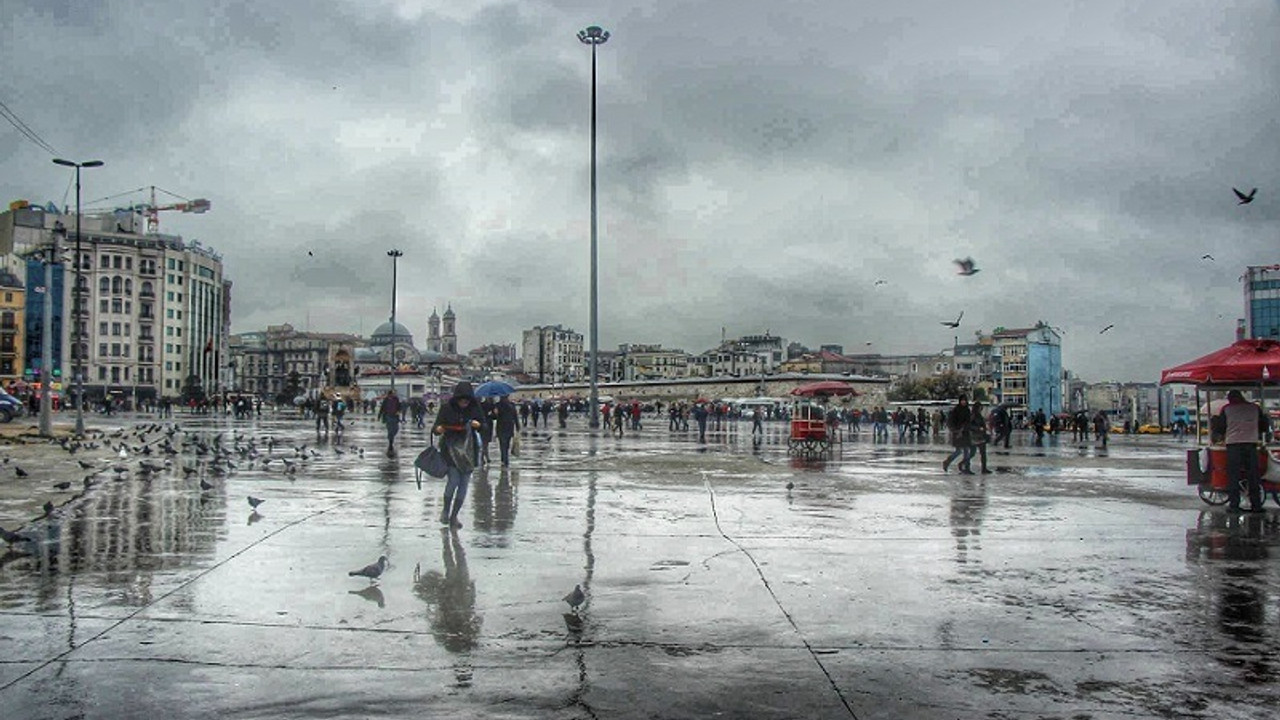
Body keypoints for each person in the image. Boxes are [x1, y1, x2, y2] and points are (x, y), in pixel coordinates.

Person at [433, 382, 486, 529]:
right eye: (461, 400)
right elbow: (436, 428)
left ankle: (454, 516)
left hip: (469, 452)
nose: (464, 403)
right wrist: (439, 429)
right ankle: (445, 510)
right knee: (453, 481)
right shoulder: (446, 409)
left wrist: (478, 425)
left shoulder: (475, 409)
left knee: (463, 485)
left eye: (467, 400)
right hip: (450, 451)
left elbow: (484, 426)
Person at [1217, 389, 1270, 513]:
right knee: (1253, 475)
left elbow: (1220, 428)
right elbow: (1264, 426)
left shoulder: (1226, 409)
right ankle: (1256, 505)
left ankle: (1234, 505)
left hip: (1233, 445)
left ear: (1230, 398)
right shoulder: (1255, 408)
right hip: (1250, 444)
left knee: (1233, 475)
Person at [943, 396, 973, 474]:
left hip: (966, 433)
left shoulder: (967, 410)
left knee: (966, 451)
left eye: (965, 400)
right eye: (962, 400)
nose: (963, 402)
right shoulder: (956, 410)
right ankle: (947, 461)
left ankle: (966, 467)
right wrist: (955, 430)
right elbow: (951, 421)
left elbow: (969, 421)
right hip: (958, 433)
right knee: (959, 451)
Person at [493, 395, 519, 466]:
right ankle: (505, 459)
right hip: (509, 427)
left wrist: (495, 413)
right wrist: (517, 427)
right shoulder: (512, 405)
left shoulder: (497, 405)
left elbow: (494, 417)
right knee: (506, 444)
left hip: (501, 427)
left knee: (502, 444)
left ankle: (504, 459)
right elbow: (515, 416)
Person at [968, 400, 991, 473]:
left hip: (981, 436)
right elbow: (969, 425)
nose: (981, 409)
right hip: (975, 437)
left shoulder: (979, 415)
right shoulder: (973, 415)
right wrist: (978, 428)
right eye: (980, 407)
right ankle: (964, 465)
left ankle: (984, 468)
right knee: (973, 453)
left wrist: (985, 428)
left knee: (983, 453)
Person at [379, 389, 402, 457]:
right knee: (390, 429)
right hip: (388, 416)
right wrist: (379, 415)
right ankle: (390, 442)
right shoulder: (386, 400)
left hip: (395, 416)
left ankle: (391, 437)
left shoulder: (396, 399)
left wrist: (399, 411)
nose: (394, 394)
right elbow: (382, 408)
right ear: (390, 394)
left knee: (395, 429)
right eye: (393, 393)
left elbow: (399, 406)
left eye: (395, 393)